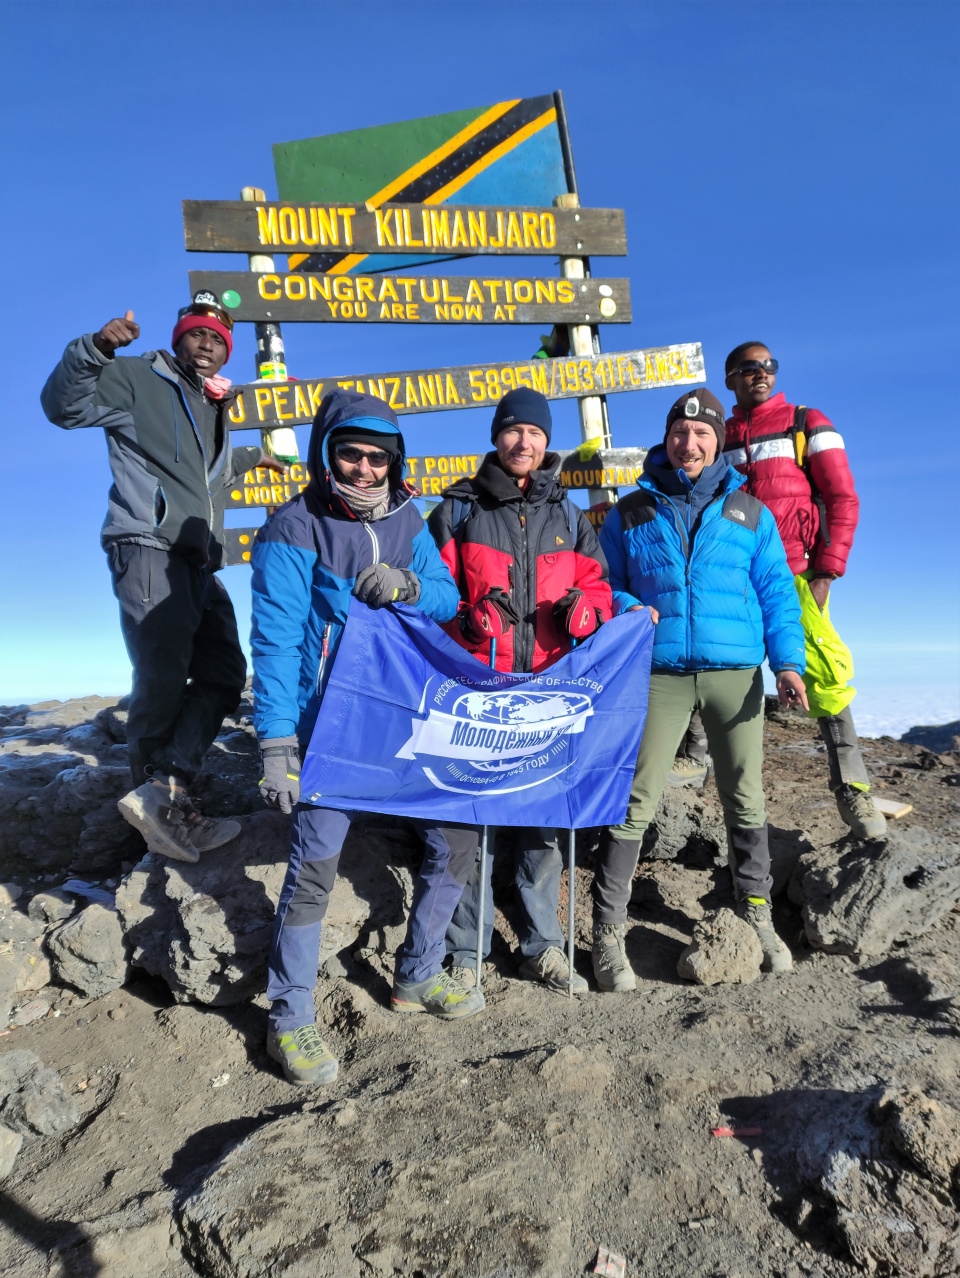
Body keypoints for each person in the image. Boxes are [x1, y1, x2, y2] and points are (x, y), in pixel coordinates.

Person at [252, 388, 484, 1086]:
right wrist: (275, 745)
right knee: (315, 865)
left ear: (393, 462)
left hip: (402, 719)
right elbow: (276, 640)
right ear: (327, 454)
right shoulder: (293, 526)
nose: (362, 468)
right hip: (329, 725)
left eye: (376, 457)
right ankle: (288, 1018)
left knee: (460, 842)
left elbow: (447, 596)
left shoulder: (411, 517)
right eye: (349, 454)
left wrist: (410, 582)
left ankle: (416, 976)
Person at [40, 292, 287, 863]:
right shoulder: (135, 378)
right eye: (198, 334)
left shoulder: (211, 404)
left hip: (197, 559)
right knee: (162, 674)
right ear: (180, 337)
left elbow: (199, 472)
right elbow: (63, 407)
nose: (208, 345)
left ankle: (166, 787)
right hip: (149, 547)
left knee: (226, 672)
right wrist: (96, 349)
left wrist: (250, 459)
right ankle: (160, 816)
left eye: (219, 340)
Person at [595, 389, 806, 990]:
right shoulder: (630, 511)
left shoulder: (749, 512)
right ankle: (607, 931)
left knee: (746, 796)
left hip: (735, 674)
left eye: (702, 435)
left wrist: (787, 664)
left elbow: (777, 594)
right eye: (679, 434)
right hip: (658, 672)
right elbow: (604, 582)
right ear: (665, 440)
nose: (689, 444)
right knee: (636, 797)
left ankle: (756, 916)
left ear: (718, 442)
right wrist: (632, 605)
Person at [428, 387, 613, 993]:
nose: (524, 442)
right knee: (473, 820)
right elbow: (433, 597)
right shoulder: (458, 510)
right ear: (495, 436)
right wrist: (468, 619)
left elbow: (600, 586)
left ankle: (542, 946)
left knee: (544, 822)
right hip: (478, 693)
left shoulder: (570, 516)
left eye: (534, 433)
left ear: (546, 440)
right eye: (513, 431)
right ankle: (465, 952)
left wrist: (588, 610)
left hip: (548, 694)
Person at [722, 342, 885, 839]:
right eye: (750, 368)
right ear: (731, 378)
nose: (762, 374)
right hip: (731, 574)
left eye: (769, 366)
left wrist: (826, 571)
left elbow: (842, 497)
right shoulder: (719, 433)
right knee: (720, 663)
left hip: (796, 570)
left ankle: (854, 792)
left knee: (822, 670)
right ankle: (695, 758)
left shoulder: (805, 421)